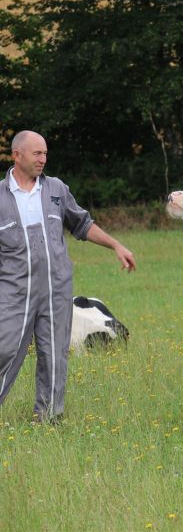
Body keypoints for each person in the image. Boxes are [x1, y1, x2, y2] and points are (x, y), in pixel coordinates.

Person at [0, 130, 136, 422]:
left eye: (45, 153)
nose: (43, 159)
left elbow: (82, 224)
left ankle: (48, 416)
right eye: (37, 153)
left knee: (54, 355)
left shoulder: (56, 190)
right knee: (5, 348)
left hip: (56, 287)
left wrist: (115, 244)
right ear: (17, 155)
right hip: (13, 291)